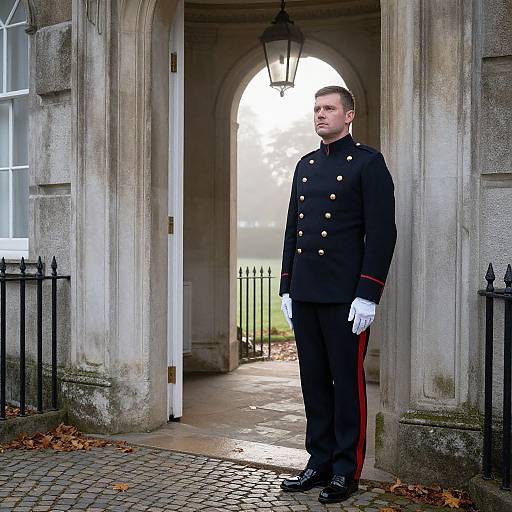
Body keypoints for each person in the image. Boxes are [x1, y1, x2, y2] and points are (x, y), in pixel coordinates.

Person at [278, 85, 397, 504]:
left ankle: (346, 470)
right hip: (307, 292)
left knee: (346, 383)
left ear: (349, 116)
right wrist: (286, 286)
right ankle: (319, 461)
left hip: (346, 298)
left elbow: (382, 234)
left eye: (329, 108)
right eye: (316, 109)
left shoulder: (368, 163)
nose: (320, 115)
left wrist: (368, 294)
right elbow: (294, 229)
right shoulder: (305, 166)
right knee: (313, 381)